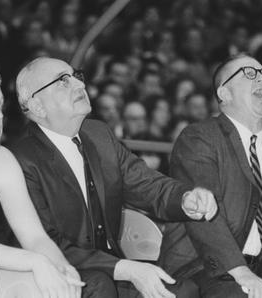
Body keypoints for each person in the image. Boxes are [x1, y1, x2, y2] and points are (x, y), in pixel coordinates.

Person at [12, 57, 218, 298]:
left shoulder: (98, 134)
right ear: (37, 107)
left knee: (186, 284)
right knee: (99, 285)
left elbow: (147, 184)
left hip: (113, 269)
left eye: (76, 76)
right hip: (61, 276)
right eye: (62, 81)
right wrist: (127, 269)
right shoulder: (21, 160)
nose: (79, 85)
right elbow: (43, 243)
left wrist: (186, 198)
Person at [158, 54, 262, 298]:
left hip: (259, 271)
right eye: (250, 73)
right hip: (202, 269)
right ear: (224, 93)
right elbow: (205, 215)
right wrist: (241, 271)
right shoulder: (199, 138)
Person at [0, 67, 84, 297]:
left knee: (48, 285)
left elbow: (34, 236)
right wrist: (36, 262)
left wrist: (62, 269)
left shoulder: (1, 162)